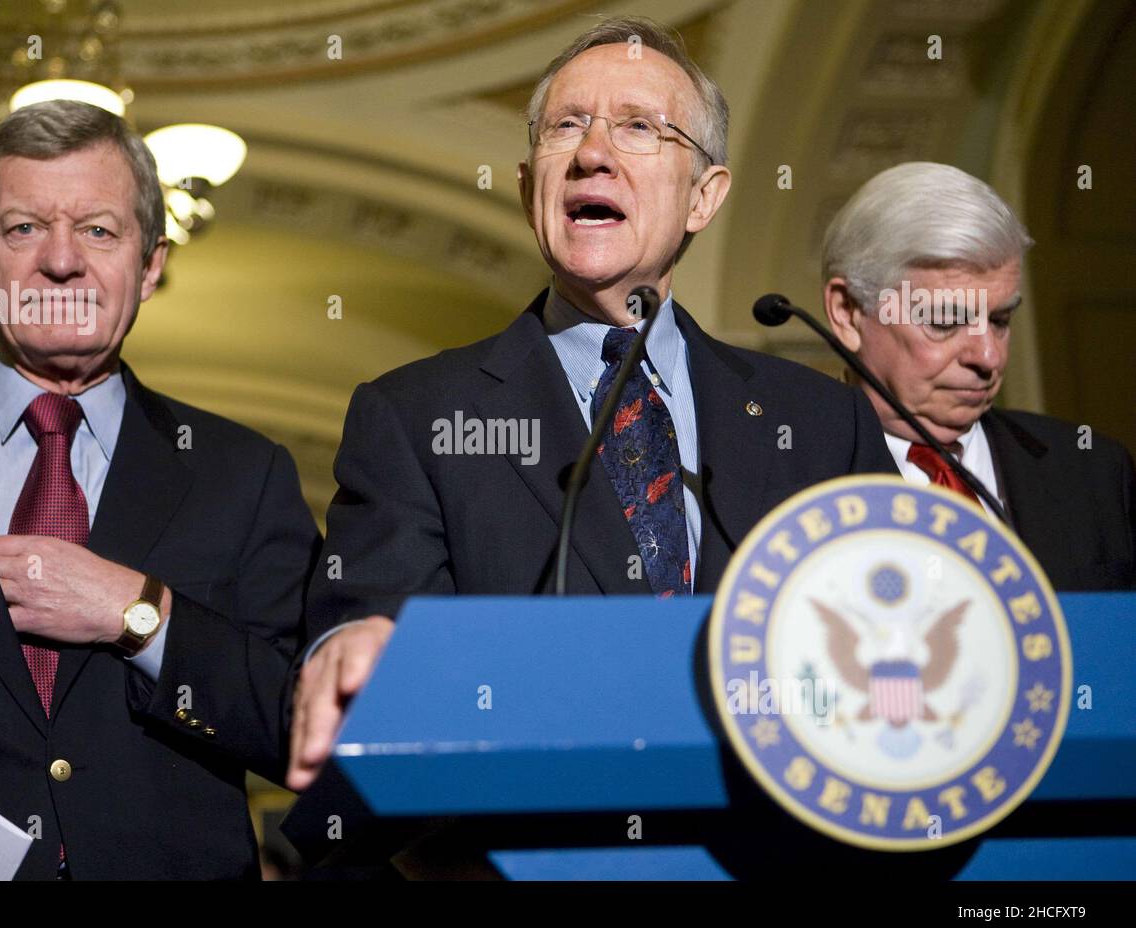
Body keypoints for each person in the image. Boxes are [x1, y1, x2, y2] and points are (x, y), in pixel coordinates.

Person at [287, 17, 897, 791]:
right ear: (524, 185)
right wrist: (355, 651)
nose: (592, 154)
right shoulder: (414, 418)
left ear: (704, 198)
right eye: (565, 126)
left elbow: (888, 641)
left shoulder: (821, 421)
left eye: (639, 127)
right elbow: (367, 634)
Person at [0, 100, 319, 880]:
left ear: (152, 263)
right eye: (24, 228)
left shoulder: (244, 474)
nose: (61, 261)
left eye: (98, 229)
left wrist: (139, 616)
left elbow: (305, 722)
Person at [821, 161, 1134, 590]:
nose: (988, 357)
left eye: (1001, 320)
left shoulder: (1095, 471)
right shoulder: (786, 481)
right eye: (946, 321)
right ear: (848, 313)